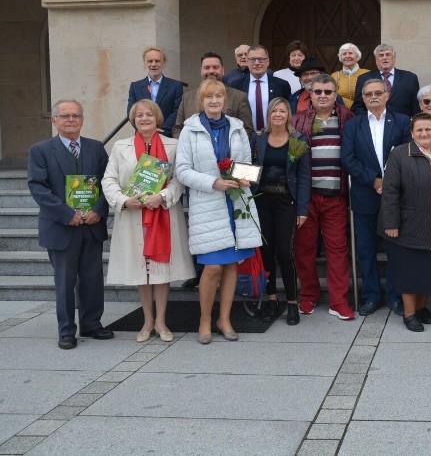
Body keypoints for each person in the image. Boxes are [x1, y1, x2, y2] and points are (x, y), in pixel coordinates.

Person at [175, 79, 261, 344]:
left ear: (225, 100)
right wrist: (214, 182)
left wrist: (244, 178)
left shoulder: (237, 128)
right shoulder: (190, 130)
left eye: (219, 96)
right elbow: (182, 171)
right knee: (212, 267)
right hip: (209, 204)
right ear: (201, 101)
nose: (214, 101)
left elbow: (246, 163)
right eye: (209, 97)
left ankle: (225, 319)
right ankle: (204, 320)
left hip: (235, 202)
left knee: (232, 265)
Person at [102, 100, 195, 343]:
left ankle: (162, 321)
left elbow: (179, 178)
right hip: (133, 215)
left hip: (162, 214)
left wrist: (162, 196)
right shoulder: (120, 146)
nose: (144, 119)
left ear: (158, 118)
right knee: (140, 272)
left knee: (160, 270)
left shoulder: (173, 145)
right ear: (134, 119)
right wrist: (123, 200)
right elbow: (108, 179)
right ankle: (147, 321)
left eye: (149, 115)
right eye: (139, 115)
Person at [28, 99, 112, 350]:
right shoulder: (41, 150)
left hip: (91, 225)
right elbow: (38, 188)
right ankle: (66, 330)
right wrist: (67, 214)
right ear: (54, 121)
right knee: (65, 281)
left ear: (82, 120)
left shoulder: (96, 148)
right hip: (60, 227)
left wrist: (98, 210)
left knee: (92, 277)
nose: (71, 120)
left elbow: (108, 182)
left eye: (75, 115)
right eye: (65, 116)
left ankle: (92, 324)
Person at [380, 113, 431, 332]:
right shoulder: (399, 154)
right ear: (412, 133)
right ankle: (409, 313)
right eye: (419, 130)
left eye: (428, 130)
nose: (424, 133)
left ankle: (423, 308)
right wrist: (391, 223)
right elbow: (390, 192)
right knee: (409, 271)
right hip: (408, 224)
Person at [341, 79, 411, 316]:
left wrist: (388, 182)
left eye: (378, 93)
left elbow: (406, 155)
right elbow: (348, 159)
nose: (373, 97)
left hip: (395, 196)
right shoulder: (353, 125)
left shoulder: (401, 121)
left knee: (395, 248)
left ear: (387, 95)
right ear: (362, 97)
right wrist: (373, 180)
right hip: (364, 194)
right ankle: (371, 295)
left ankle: (395, 295)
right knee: (366, 249)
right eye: (368, 93)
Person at [292, 75, 358, 319]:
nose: (322, 96)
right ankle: (308, 295)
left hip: (336, 196)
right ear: (310, 93)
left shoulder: (347, 118)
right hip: (306, 197)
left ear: (335, 93)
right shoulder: (298, 120)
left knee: (337, 249)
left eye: (327, 92)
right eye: (317, 91)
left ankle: (339, 301)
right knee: (304, 249)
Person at [253, 97, 310, 325]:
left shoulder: (297, 139)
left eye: (282, 111)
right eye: (274, 110)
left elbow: (304, 176)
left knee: (285, 253)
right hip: (261, 201)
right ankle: (272, 298)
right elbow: (249, 165)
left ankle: (292, 303)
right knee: (266, 251)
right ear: (269, 114)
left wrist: (303, 209)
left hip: (287, 202)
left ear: (289, 114)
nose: (278, 114)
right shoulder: (258, 138)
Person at [173, 52, 253, 140]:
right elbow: (178, 128)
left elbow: (247, 130)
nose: (211, 71)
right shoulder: (187, 97)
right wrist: (187, 144)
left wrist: (230, 146)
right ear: (201, 71)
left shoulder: (239, 97)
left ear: (222, 70)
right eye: (207, 68)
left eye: (215, 67)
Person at [230, 45, 291, 135]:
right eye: (253, 59)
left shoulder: (281, 85)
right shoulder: (236, 85)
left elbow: (288, 112)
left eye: (261, 59)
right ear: (247, 61)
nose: (257, 63)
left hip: (274, 136)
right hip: (246, 136)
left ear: (268, 62)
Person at [127, 46, 184, 138]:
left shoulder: (175, 86)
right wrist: (145, 129)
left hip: (166, 136)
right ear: (145, 63)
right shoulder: (135, 86)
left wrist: (161, 130)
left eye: (157, 61)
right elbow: (131, 112)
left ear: (164, 63)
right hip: (142, 136)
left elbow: (177, 111)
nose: (153, 64)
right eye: (150, 61)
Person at [352, 44, 420, 116]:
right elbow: (358, 107)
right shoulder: (363, 79)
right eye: (381, 55)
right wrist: (368, 121)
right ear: (376, 60)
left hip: (402, 125)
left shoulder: (410, 78)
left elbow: (416, 107)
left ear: (394, 58)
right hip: (374, 124)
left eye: (388, 55)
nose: (385, 58)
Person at [331, 43, 369, 108]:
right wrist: (352, 105)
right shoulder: (335, 76)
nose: (347, 56)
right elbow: (333, 95)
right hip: (342, 112)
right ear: (341, 58)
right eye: (344, 54)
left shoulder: (368, 73)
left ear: (357, 56)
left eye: (350, 53)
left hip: (364, 111)